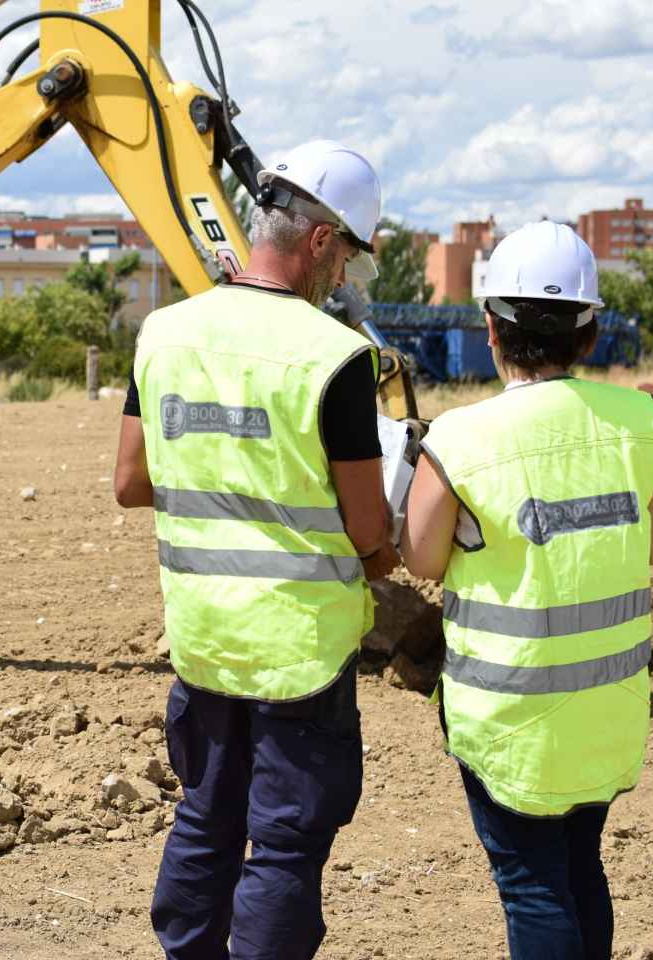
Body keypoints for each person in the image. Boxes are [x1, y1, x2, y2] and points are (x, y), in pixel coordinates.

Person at [113, 139, 399, 960]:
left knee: (205, 819)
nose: (343, 277)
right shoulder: (336, 357)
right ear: (318, 240)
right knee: (283, 846)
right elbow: (367, 530)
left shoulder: (164, 334)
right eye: (345, 256)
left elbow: (133, 482)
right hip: (299, 655)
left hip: (204, 642)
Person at [400, 221, 653, 959]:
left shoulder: (461, 439)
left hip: (509, 723)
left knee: (533, 885)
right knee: (580, 865)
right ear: (590, 331)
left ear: (491, 328)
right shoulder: (641, 421)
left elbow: (421, 559)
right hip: (608, 709)